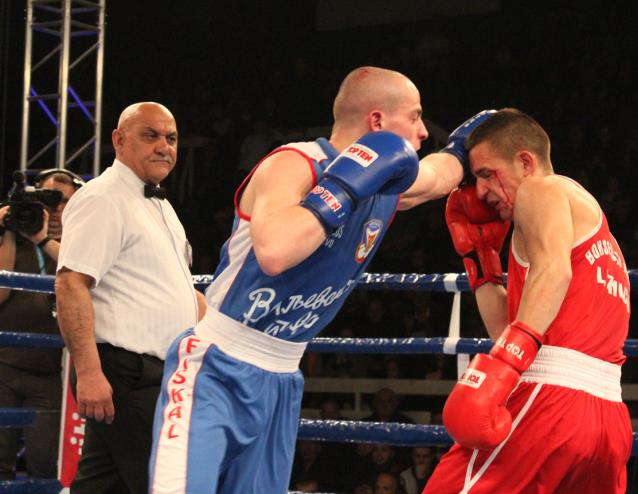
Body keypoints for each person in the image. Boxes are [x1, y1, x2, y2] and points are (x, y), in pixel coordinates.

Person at [148, 65, 494, 493]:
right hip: (218, 367)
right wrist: (345, 189)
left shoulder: (389, 184)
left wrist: (469, 143)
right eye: (415, 116)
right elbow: (274, 252)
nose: (424, 132)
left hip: (283, 375)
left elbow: (439, 176)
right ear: (377, 122)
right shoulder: (294, 164)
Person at [424, 108, 632, 492]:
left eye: (487, 173)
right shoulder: (596, 230)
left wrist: (502, 367)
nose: (480, 191)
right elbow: (515, 329)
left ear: (525, 162)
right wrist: (482, 261)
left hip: (549, 402)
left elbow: (554, 272)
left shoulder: (541, 189)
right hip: (607, 418)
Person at [54, 102, 206, 494]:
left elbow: (174, 288)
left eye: (171, 138)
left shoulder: (159, 206)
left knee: (103, 483)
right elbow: (70, 284)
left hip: (155, 372)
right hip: (124, 373)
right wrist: (89, 372)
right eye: (150, 135)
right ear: (119, 141)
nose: (164, 147)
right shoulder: (103, 198)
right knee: (165, 483)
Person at [0, 169, 82, 480]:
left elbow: (79, 273)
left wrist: (43, 239)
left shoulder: (80, 243)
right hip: (4, 364)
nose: (56, 207)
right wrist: (8, 230)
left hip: (50, 371)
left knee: (45, 465)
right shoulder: (10, 240)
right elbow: (1, 291)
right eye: (49, 199)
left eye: (63, 200)